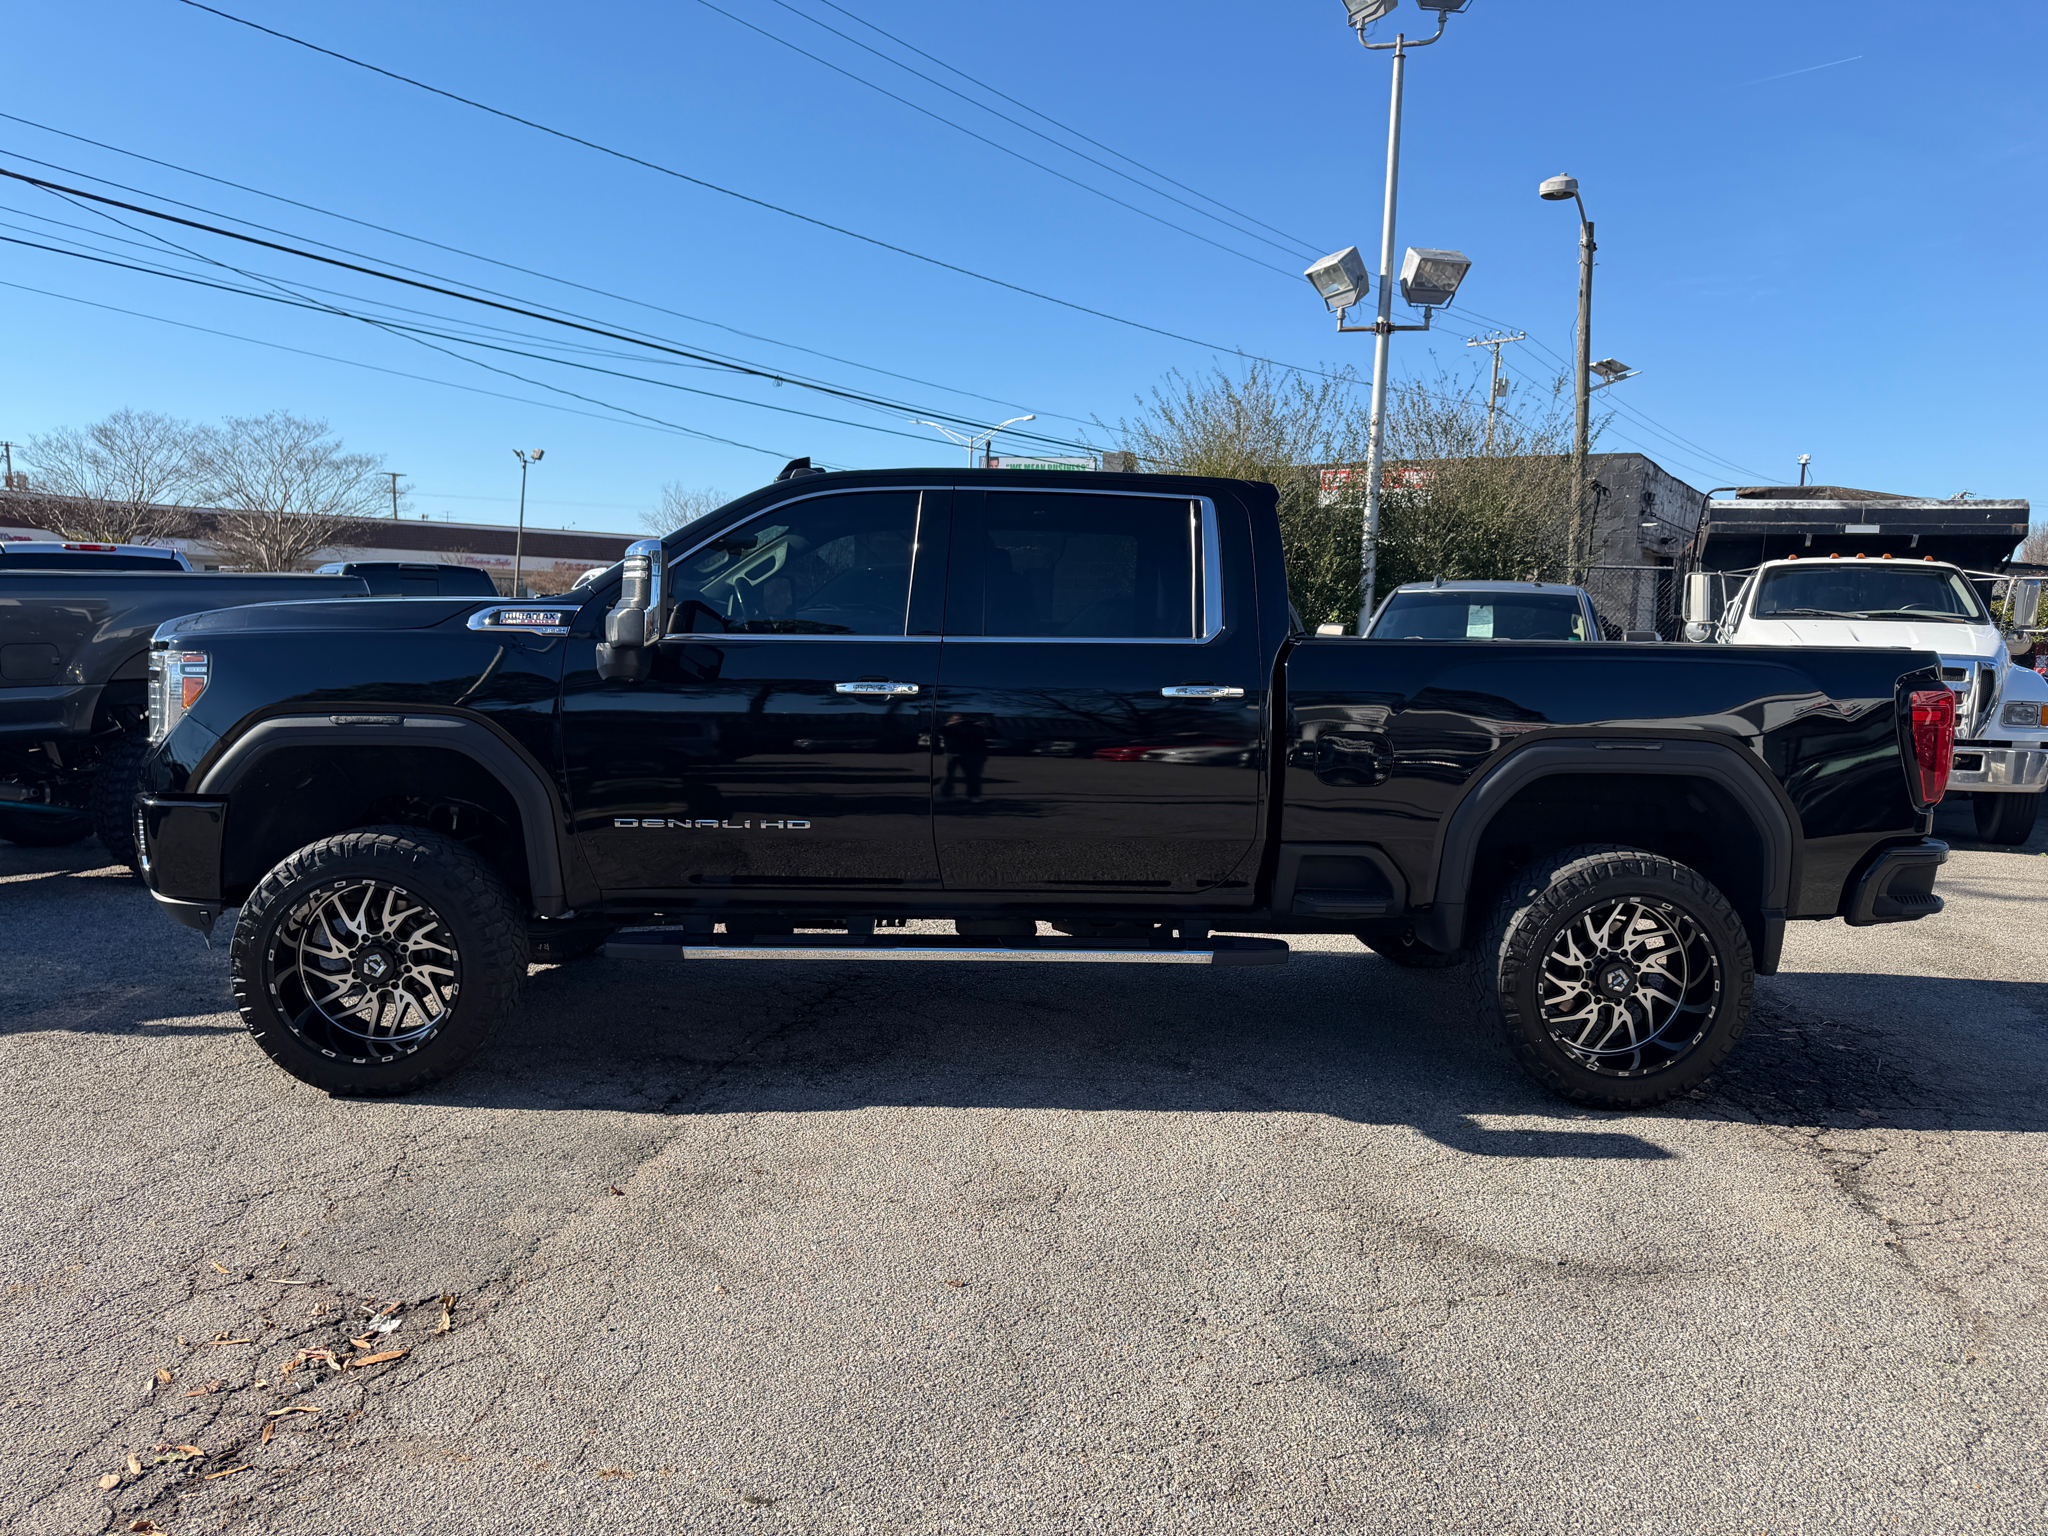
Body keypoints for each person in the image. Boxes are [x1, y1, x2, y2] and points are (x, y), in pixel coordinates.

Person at [939, 714, 990, 803]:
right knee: (948, 776)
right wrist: (950, 724)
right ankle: (946, 794)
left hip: (970, 754)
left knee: (972, 776)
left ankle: (973, 795)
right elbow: (941, 731)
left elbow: (984, 737)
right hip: (952, 753)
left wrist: (984, 726)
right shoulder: (949, 728)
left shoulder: (975, 728)